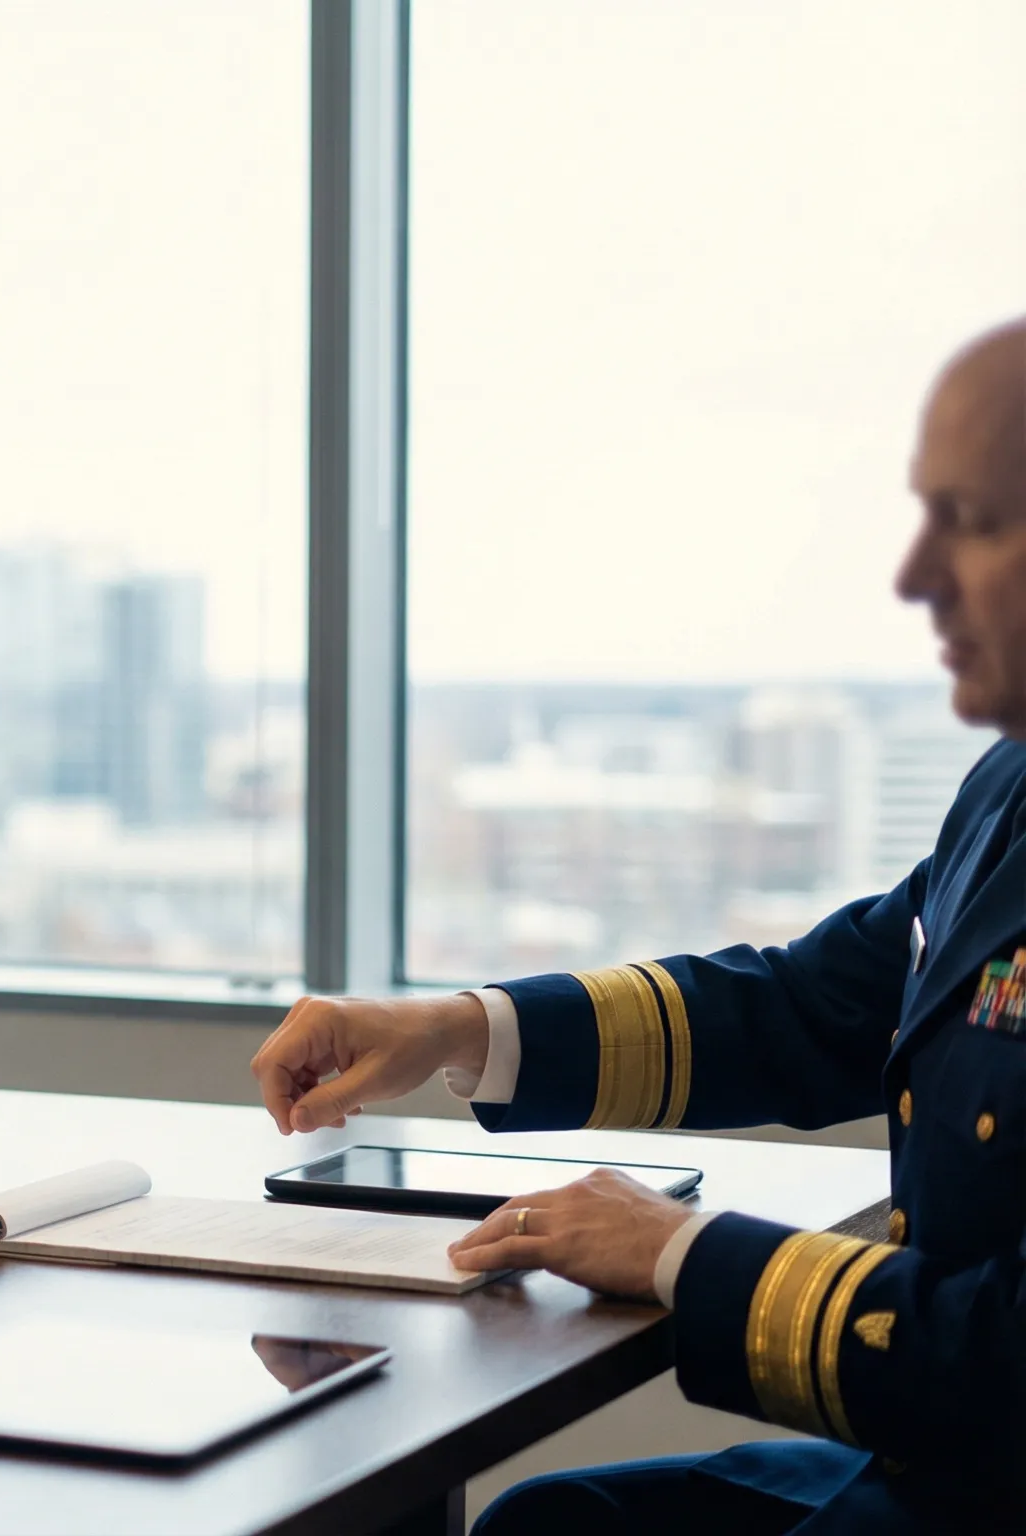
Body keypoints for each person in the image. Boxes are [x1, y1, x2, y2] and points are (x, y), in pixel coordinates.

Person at [250, 317, 1026, 1534]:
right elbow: (810, 1003)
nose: (914, 575)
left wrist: (681, 1252)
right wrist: (461, 1029)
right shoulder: (1008, 785)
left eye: (973, 523)